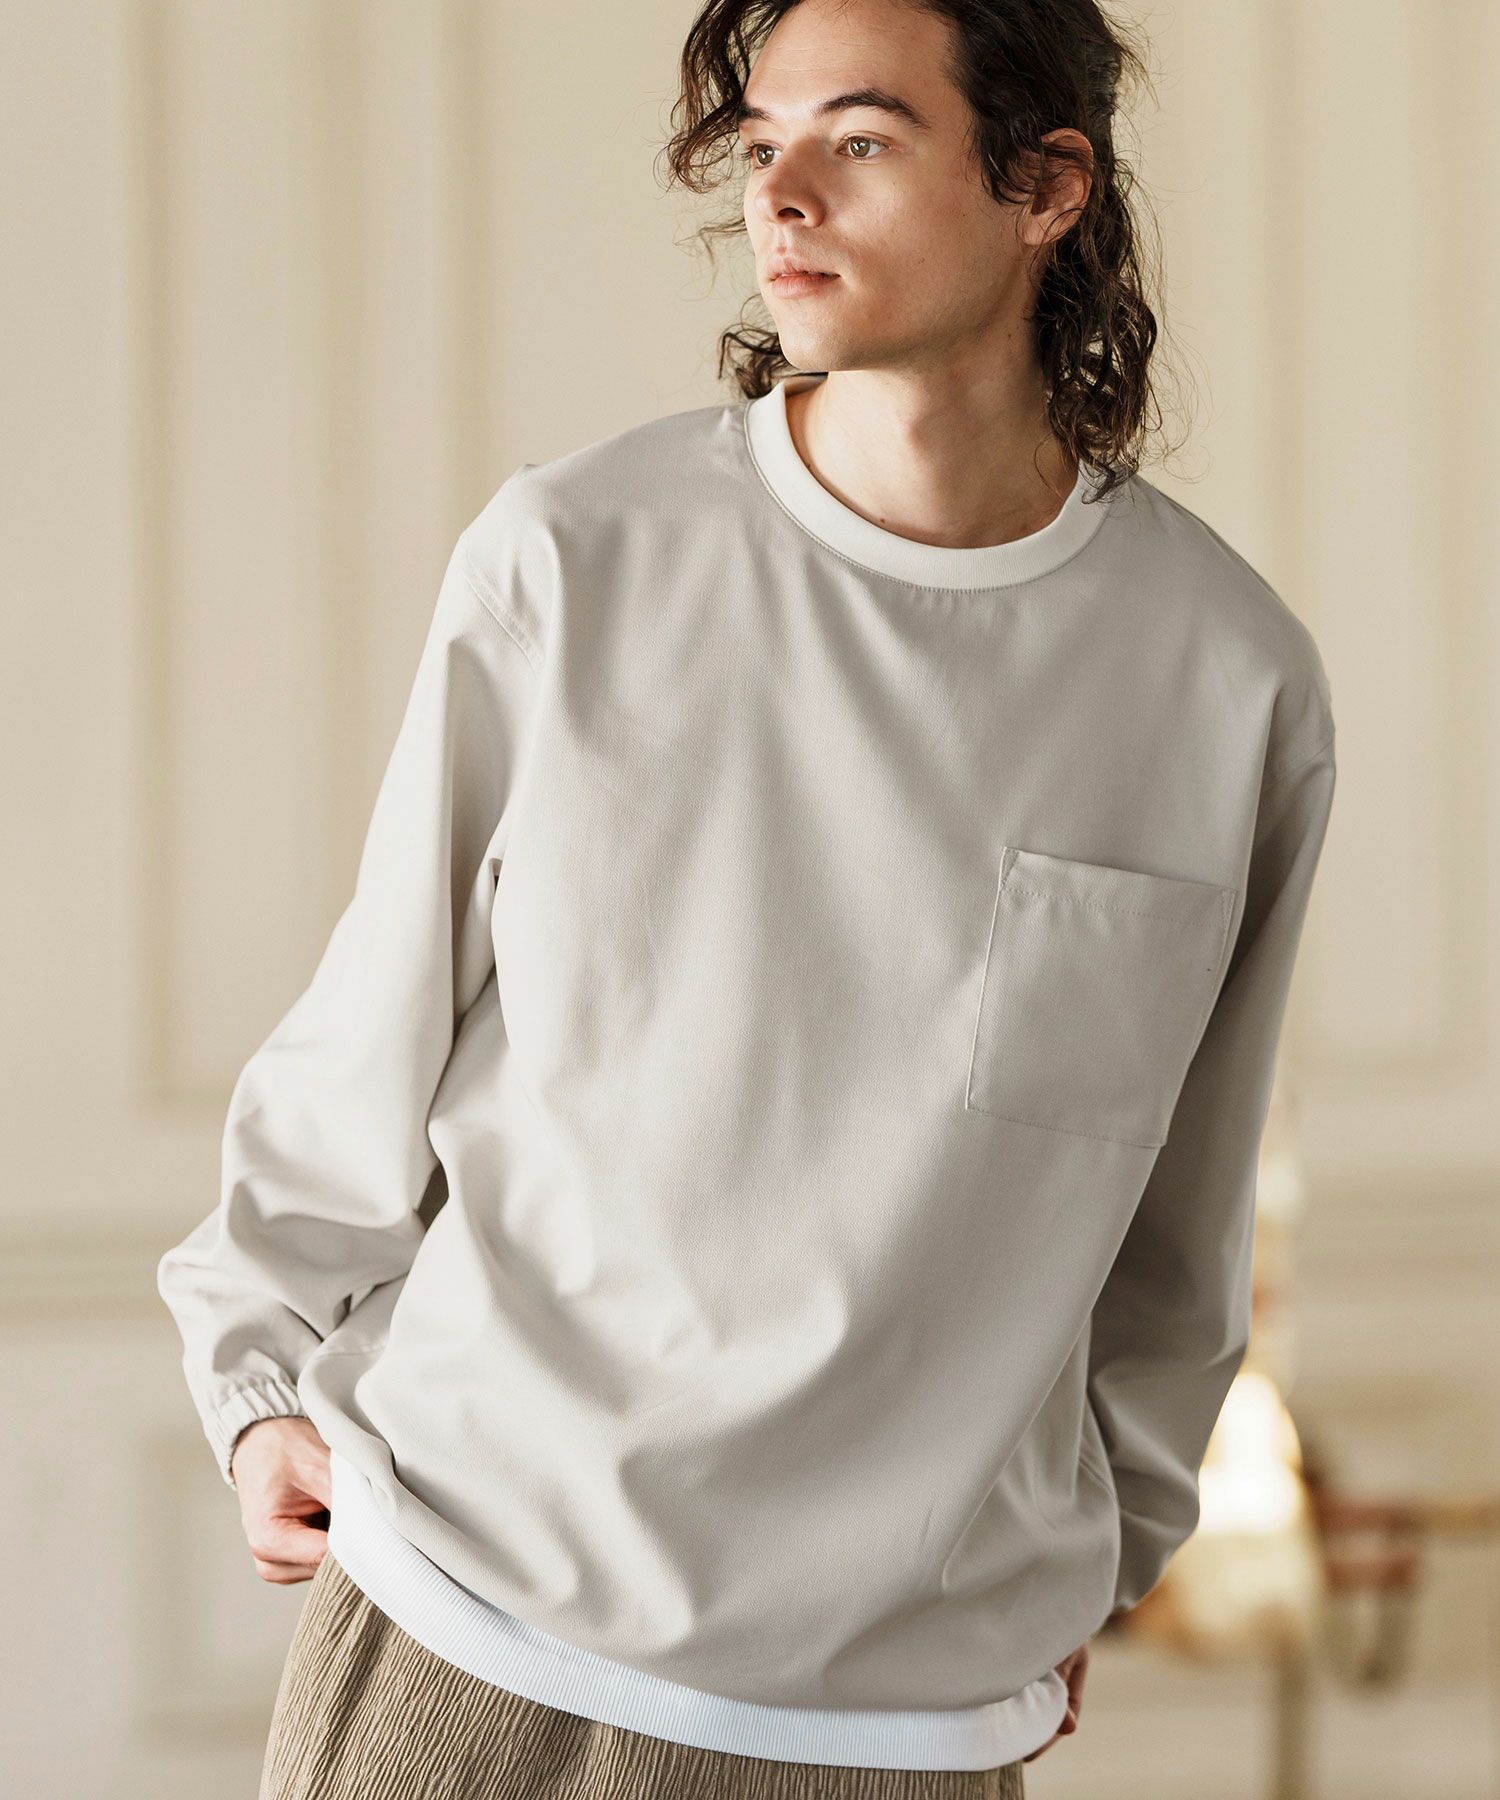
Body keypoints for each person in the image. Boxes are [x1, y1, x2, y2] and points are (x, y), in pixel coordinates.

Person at [156, 0, 1338, 1795]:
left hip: (907, 1729)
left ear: (1047, 188)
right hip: (468, 1643)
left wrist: (1092, 1557)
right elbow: (362, 1046)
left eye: (859, 139)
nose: (779, 195)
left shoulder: (1229, 683)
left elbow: (1183, 1235)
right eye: (761, 141)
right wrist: (258, 1388)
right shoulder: (572, 560)